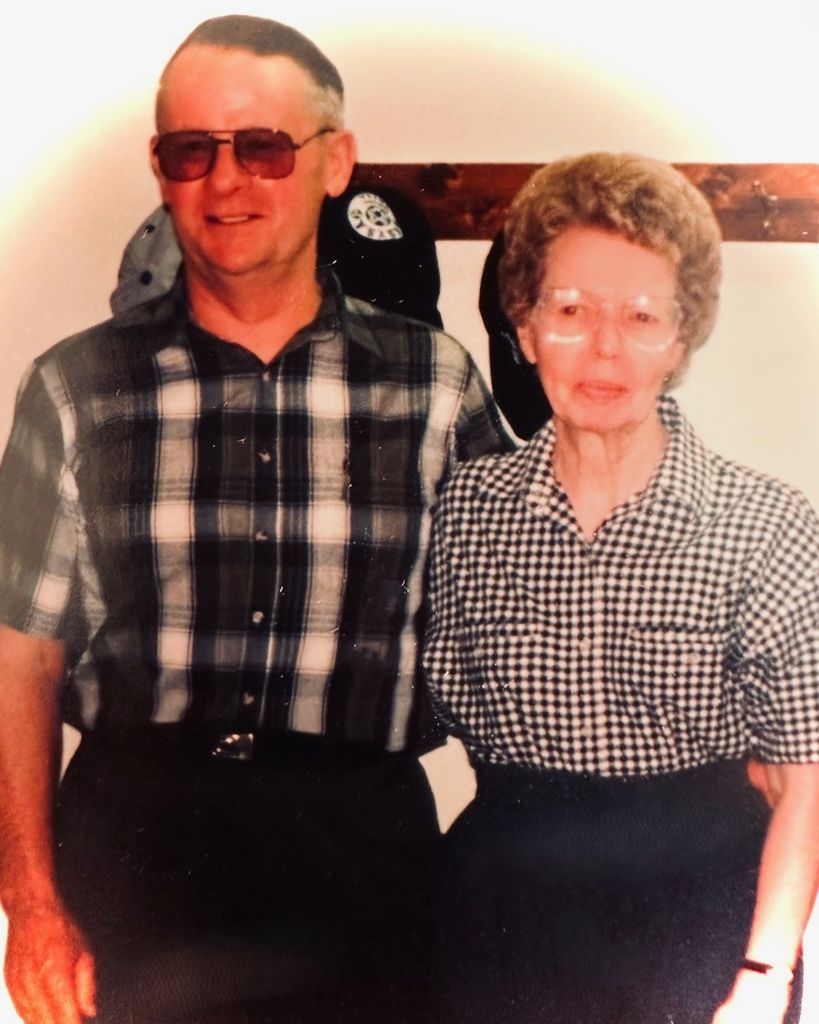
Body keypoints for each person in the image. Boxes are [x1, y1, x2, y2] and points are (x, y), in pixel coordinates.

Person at [0, 15, 510, 1024]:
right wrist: (31, 899)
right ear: (161, 168)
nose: (225, 182)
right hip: (136, 855)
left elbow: (519, 621)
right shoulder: (74, 387)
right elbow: (21, 659)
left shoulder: (435, 385)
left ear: (335, 163)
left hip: (361, 862)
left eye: (264, 147)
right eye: (191, 150)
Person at [422, 152, 819, 1024]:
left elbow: (805, 780)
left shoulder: (766, 523)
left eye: (641, 316)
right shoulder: (466, 512)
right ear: (525, 327)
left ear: (680, 340)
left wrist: (765, 975)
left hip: (701, 925)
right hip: (503, 924)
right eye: (570, 310)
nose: (605, 347)